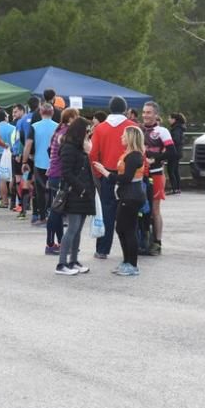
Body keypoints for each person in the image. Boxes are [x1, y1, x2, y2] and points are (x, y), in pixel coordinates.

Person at [88, 96, 138, 260]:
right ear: (125, 109)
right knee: (131, 216)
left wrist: (97, 174)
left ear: (109, 108)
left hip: (107, 173)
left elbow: (93, 154)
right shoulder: (133, 126)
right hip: (129, 175)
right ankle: (136, 248)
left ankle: (103, 249)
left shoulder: (100, 128)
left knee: (107, 213)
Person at [93, 126, 145, 276]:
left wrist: (107, 173)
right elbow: (124, 174)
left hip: (131, 196)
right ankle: (126, 261)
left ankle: (132, 264)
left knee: (128, 230)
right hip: (127, 195)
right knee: (121, 228)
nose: (121, 137)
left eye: (124, 135)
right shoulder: (129, 155)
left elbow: (126, 178)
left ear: (130, 137)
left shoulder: (134, 156)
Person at [55, 117, 96, 275]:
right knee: (72, 228)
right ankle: (62, 263)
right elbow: (66, 173)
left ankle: (73, 260)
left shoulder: (80, 148)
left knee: (78, 230)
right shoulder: (69, 148)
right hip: (75, 193)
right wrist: (82, 189)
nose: (89, 133)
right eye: (87, 130)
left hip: (84, 193)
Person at [141, 101, 177, 256]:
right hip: (140, 175)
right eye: (144, 112)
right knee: (141, 210)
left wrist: (155, 158)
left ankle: (157, 242)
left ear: (156, 115)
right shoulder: (138, 129)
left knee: (155, 209)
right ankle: (143, 240)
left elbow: (172, 153)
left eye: (149, 112)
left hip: (155, 174)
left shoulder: (162, 131)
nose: (145, 115)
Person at [44, 108, 78, 255]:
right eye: (76, 117)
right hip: (60, 175)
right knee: (55, 212)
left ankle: (59, 243)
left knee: (57, 210)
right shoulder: (67, 133)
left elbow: (49, 150)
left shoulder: (59, 131)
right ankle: (51, 244)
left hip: (54, 174)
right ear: (71, 118)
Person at [23, 103, 59, 226]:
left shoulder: (34, 126)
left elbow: (28, 145)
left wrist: (24, 161)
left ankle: (42, 217)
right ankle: (55, 216)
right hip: (54, 163)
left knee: (41, 191)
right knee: (54, 190)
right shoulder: (58, 127)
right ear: (52, 113)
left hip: (39, 162)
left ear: (40, 113)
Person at [166, 113, 186, 194]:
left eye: (170, 118)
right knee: (175, 170)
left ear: (174, 119)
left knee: (171, 170)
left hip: (174, 152)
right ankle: (177, 188)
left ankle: (174, 188)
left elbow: (176, 140)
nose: (168, 120)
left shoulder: (176, 128)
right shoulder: (179, 128)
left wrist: (169, 142)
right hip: (178, 152)